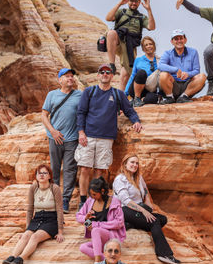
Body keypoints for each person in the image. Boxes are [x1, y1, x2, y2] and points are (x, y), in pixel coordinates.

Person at [76, 64, 142, 208]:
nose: (105, 74)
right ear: (98, 75)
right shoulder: (89, 92)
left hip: (106, 138)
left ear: (112, 76)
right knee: (85, 169)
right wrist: (81, 132)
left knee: (100, 170)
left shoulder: (118, 94)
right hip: (89, 136)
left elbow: (129, 110)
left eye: (108, 72)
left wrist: (136, 121)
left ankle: (94, 199)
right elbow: (81, 112)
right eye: (102, 72)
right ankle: (83, 201)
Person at [113, 154, 180, 264]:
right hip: (123, 210)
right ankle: (164, 254)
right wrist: (143, 211)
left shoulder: (138, 178)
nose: (135, 165)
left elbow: (145, 190)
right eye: (132, 162)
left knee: (162, 219)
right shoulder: (120, 179)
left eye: (137, 163)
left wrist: (148, 202)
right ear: (125, 164)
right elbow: (126, 200)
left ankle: (130, 224)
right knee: (154, 222)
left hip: (137, 210)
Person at [2, 164, 64, 264]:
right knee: (26, 236)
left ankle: (21, 259)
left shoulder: (55, 188)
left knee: (35, 236)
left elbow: (60, 210)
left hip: (51, 219)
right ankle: (12, 257)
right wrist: (27, 229)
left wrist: (60, 231)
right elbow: (30, 209)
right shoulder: (34, 188)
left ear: (49, 176)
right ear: (36, 176)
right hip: (37, 218)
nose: (42, 175)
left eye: (45, 173)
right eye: (39, 173)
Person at [41, 68, 82, 213]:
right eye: (67, 76)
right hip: (54, 138)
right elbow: (44, 115)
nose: (70, 78)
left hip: (72, 139)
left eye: (72, 76)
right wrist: (52, 131)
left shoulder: (80, 95)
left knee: (70, 170)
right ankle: (55, 198)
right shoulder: (52, 95)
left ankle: (65, 200)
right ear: (60, 80)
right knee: (55, 169)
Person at [104, 0, 156, 90]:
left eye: (136, 1)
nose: (134, 3)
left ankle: (122, 96)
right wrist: (120, 3)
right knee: (111, 33)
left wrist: (149, 10)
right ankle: (111, 64)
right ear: (128, 1)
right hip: (118, 41)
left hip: (130, 45)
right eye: (131, 0)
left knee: (126, 73)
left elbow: (152, 27)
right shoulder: (122, 12)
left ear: (139, 2)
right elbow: (108, 17)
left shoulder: (141, 17)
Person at [77, 177, 126, 264]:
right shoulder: (90, 201)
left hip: (111, 237)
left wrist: (97, 225)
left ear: (102, 191)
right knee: (83, 247)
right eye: (91, 194)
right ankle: (109, 260)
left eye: (94, 194)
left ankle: (97, 263)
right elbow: (79, 216)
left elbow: (119, 222)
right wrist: (86, 220)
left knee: (96, 230)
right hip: (98, 240)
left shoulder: (114, 202)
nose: (92, 196)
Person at [157, 29, 206, 104]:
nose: (179, 41)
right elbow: (160, 66)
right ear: (172, 42)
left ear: (185, 40)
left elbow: (196, 70)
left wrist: (188, 74)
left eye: (181, 38)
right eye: (176, 39)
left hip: (187, 85)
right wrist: (176, 70)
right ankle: (170, 97)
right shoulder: (167, 53)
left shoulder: (193, 52)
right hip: (173, 85)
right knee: (163, 75)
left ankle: (183, 97)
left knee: (202, 76)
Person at [124, 36, 160, 107]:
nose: (149, 46)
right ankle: (137, 98)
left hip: (149, 89)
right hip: (136, 87)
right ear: (143, 48)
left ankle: (140, 100)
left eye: (150, 44)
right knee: (142, 73)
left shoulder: (160, 61)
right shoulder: (138, 60)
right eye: (146, 45)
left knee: (153, 99)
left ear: (154, 46)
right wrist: (125, 93)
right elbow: (132, 76)